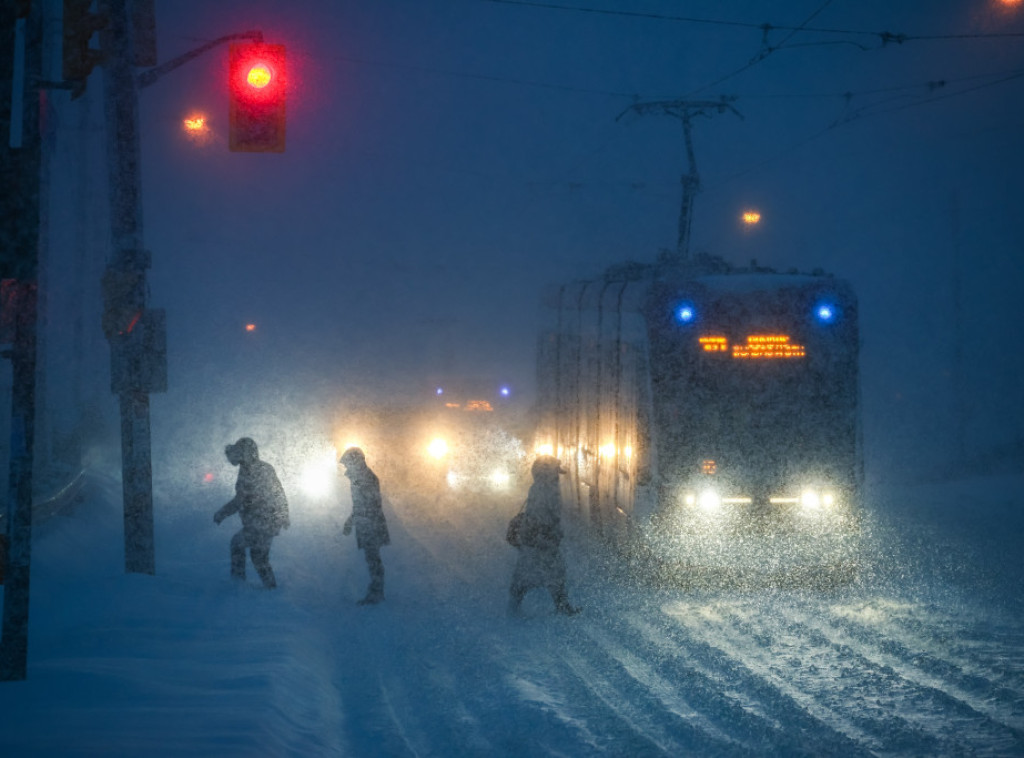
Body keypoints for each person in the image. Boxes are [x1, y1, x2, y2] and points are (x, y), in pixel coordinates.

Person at [508, 455, 581, 616]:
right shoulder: (547, 490)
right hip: (542, 541)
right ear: (548, 473)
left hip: (535, 540)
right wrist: (550, 533)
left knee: (527, 573)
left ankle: (514, 608)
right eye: (555, 472)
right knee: (553, 573)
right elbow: (545, 517)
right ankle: (562, 607)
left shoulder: (538, 487)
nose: (558, 476)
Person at [214, 437, 290, 589]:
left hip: (263, 521)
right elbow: (278, 493)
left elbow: (275, 493)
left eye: (240, 452)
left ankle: (239, 583)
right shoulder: (249, 468)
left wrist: (223, 513)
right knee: (257, 556)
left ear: (247, 453)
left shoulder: (257, 470)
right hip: (263, 521)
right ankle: (268, 588)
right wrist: (283, 515)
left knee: (243, 547)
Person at [339, 446, 390, 605]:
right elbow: (360, 505)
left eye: (348, 464)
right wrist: (352, 521)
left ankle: (376, 592)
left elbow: (369, 505)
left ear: (356, 462)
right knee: (372, 558)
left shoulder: (365, 479)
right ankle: (376, 591)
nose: (346, 468)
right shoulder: (361, 478)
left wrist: (353, 521)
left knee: (373, 558)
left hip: (371, 525)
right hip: (368, 524)